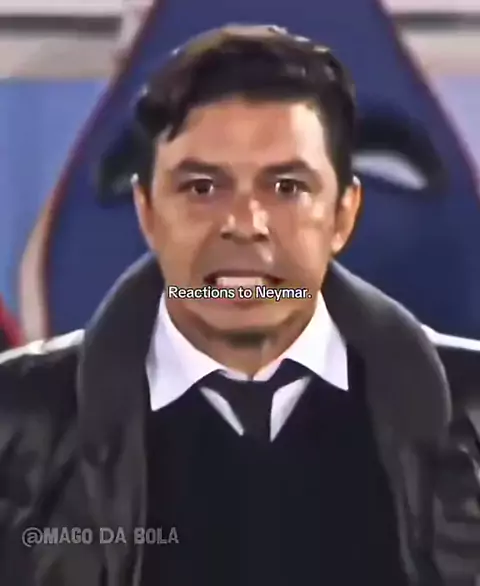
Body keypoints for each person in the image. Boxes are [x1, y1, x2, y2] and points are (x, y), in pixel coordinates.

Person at [0, 24, 479, 586]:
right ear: (147, 212)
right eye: (203, 187)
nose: (244, 224)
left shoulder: (470, 412)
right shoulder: (17, 420)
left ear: (343, 214)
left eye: (287, 187)